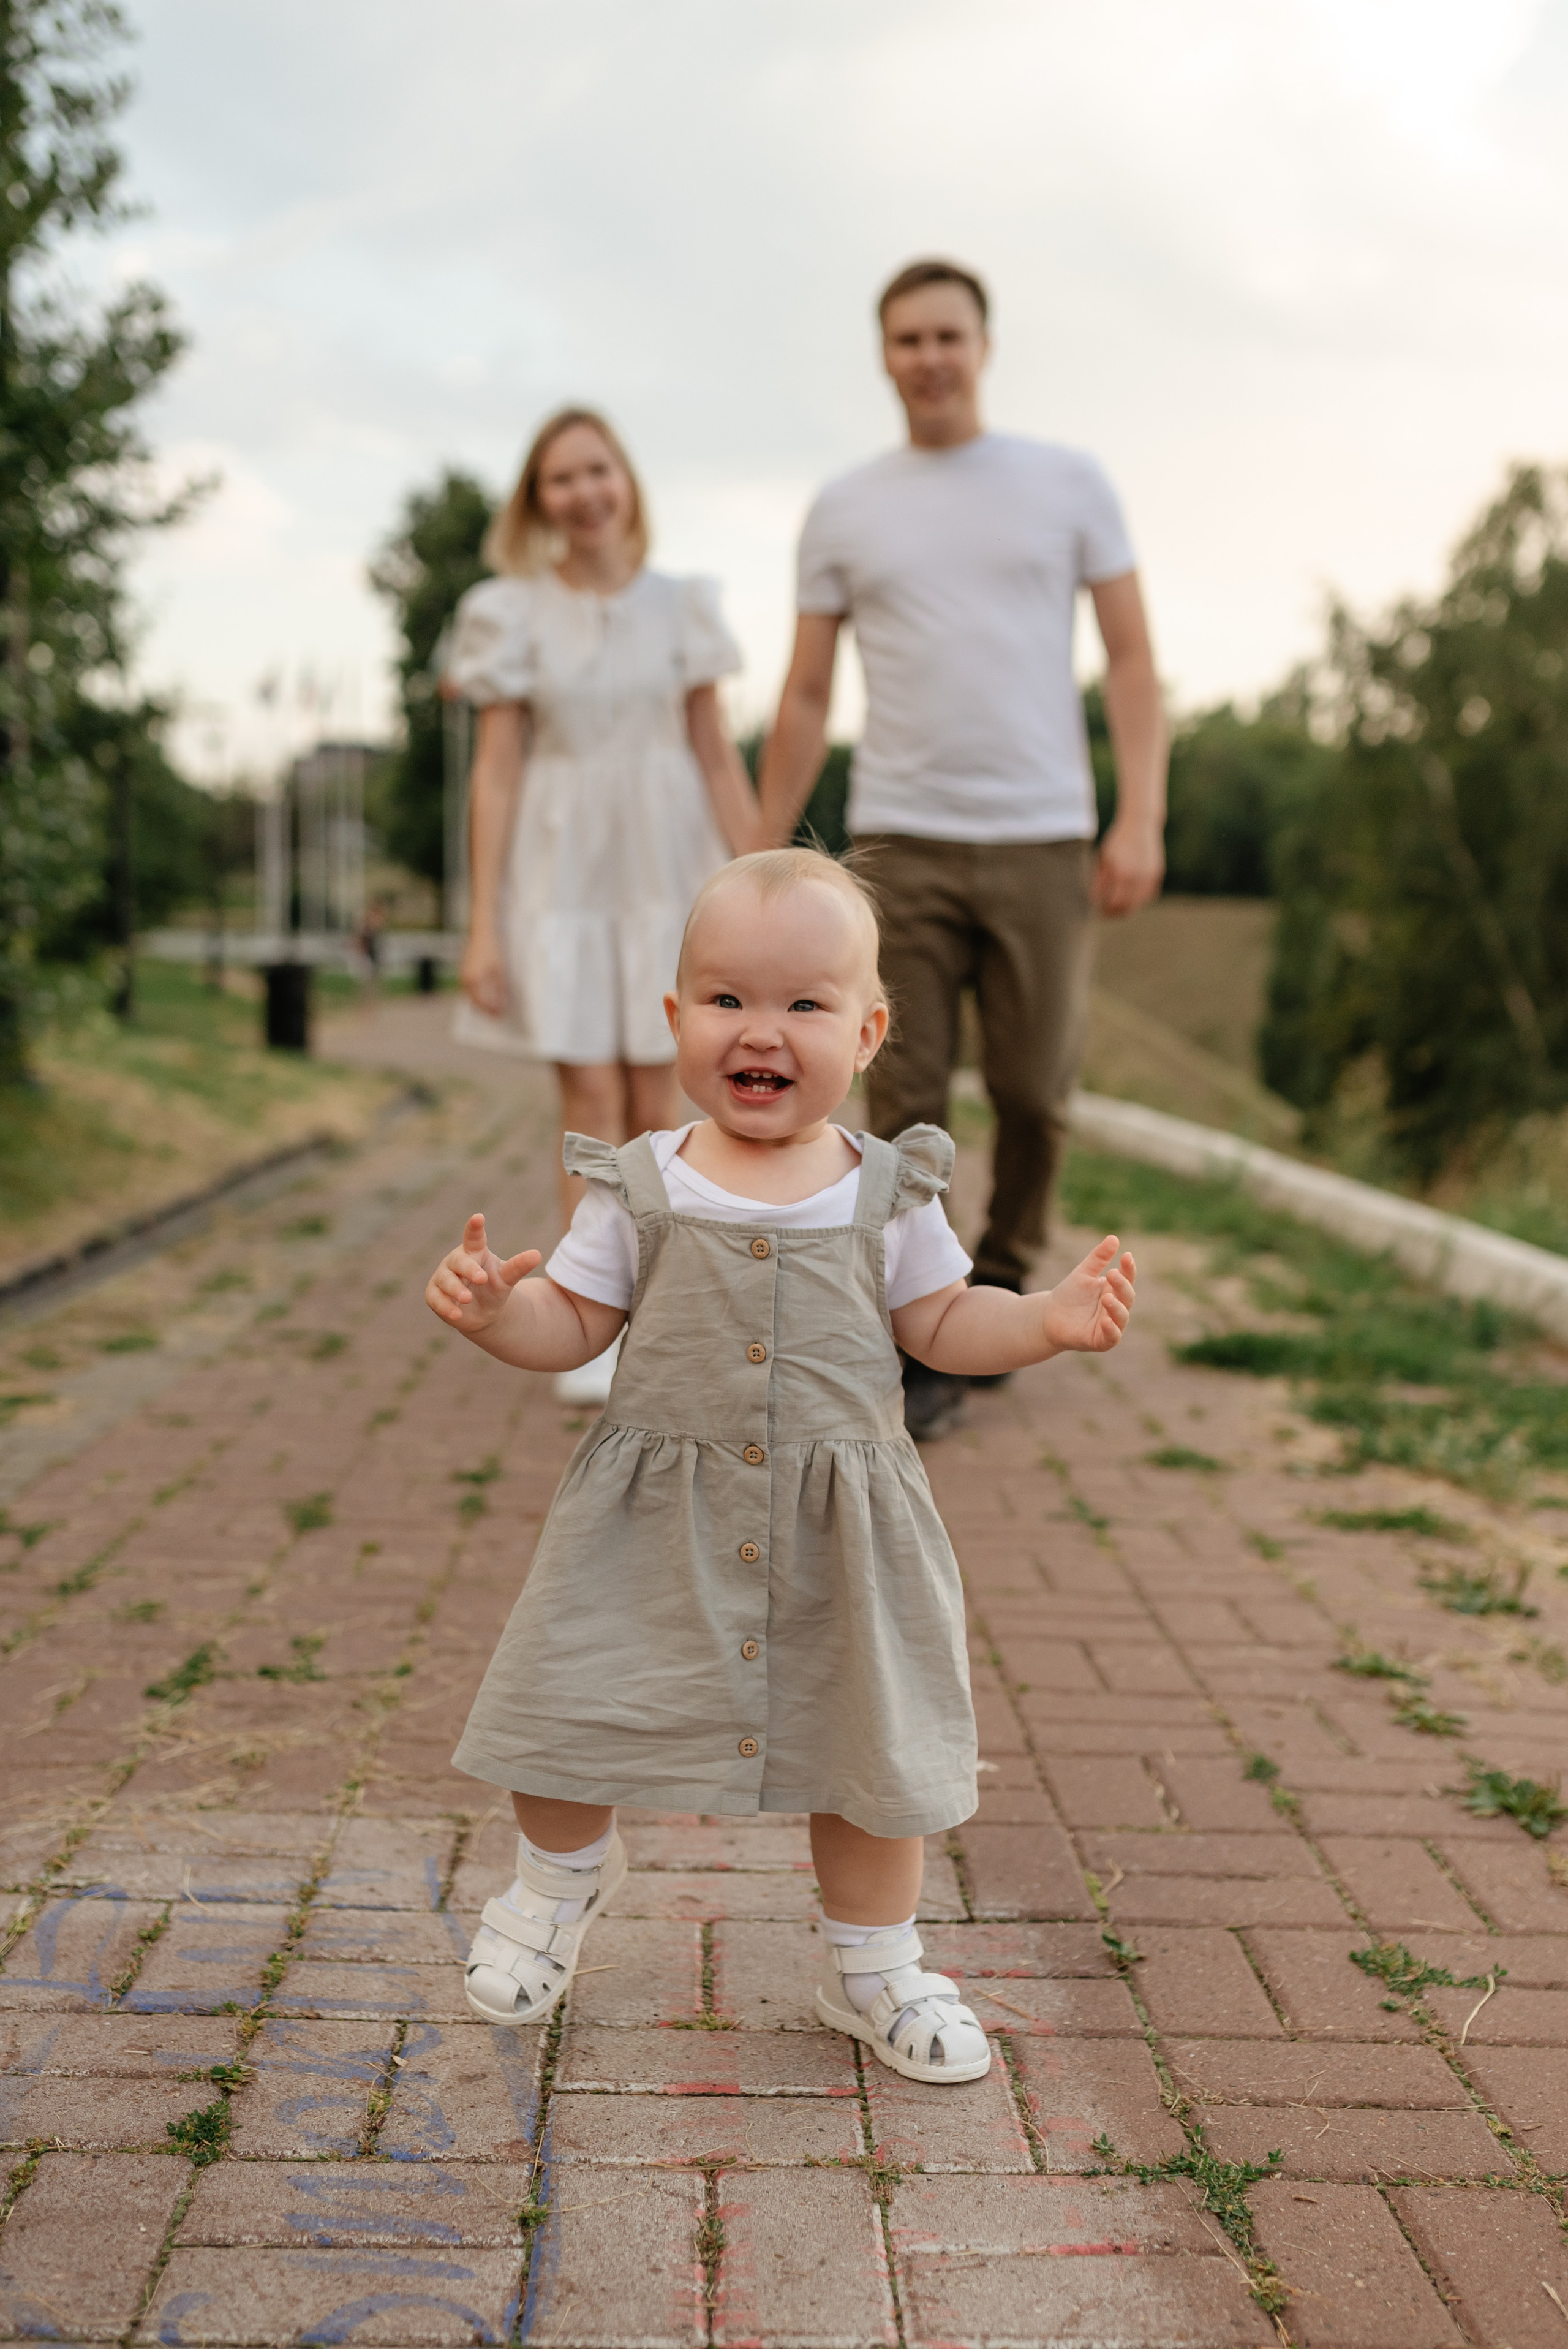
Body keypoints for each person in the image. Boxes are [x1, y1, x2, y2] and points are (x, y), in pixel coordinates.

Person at [424, 847, 1137, 2083]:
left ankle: (872, 1964)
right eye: (726, 1000)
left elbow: (941, 1323)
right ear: (675, 1020)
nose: (762, 1032)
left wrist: (1041, 1321)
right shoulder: (638, 1185)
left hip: (841, 1523)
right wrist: (500, 1317)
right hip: (650, 1516)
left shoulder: (887, 1190)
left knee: (867, 1749)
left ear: (866, 1032)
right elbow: (575, 1326)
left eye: (803, 1005)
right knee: (566, 1698)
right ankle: (555, 1883)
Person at [758, 260, 1167, 1440]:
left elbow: (1134, 659)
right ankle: (912, 1320)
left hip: (1043, 832)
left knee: (1037, 1092)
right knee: (905, 1088)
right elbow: (801, 692)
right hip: (901, 839)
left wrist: (1140, 814)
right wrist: (756, 840)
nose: (928, 356)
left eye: (948, 335)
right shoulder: (845, 507)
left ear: (983, 346)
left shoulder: (1067, 483)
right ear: (884, 357)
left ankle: (1001, 1275)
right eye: (906, 339)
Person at [447, 406, 759, 1403]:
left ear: (626, 480)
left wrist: (763, 885)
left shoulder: (684, 604)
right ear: (538, 501)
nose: (583, 494)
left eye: (597, 471)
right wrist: (484, 923)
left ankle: (662, 1320)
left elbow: (716, 751)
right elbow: (495, 773)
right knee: (587, 1102)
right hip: (563, 868)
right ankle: (586, 1326)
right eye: (560, 479)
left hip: (670, 861)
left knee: (659, 1102)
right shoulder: (510, 610)